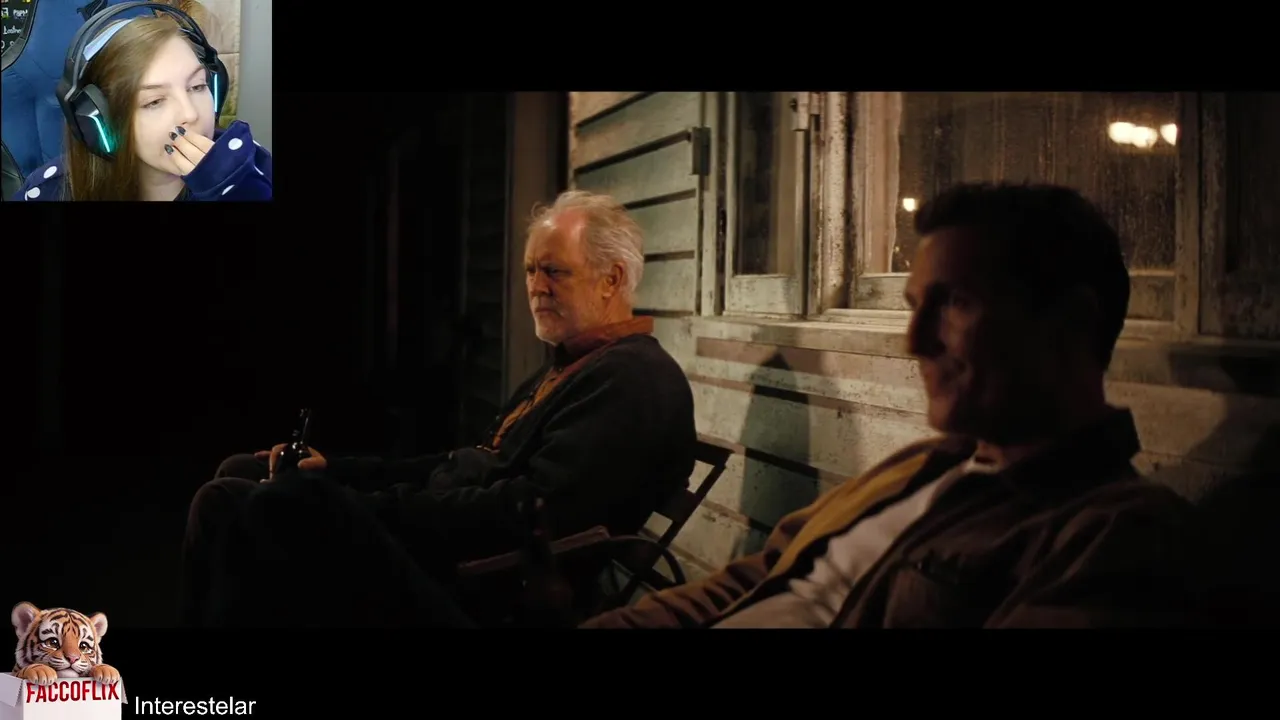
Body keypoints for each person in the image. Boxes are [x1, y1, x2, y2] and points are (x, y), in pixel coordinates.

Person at [582, 182, 1195, 629]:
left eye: (955, 304)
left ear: (1069, 324)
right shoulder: (922, 468)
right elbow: (759, 576)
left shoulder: (1112, 534)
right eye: (914, 305)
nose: (915, 341)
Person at [180, 190, 697, 627]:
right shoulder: (571, 365)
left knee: (253, 502)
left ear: (612, 279)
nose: (536, 287)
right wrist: (339, 470)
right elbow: (463, 462)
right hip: (451, 551)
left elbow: (524, 513)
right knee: (246, 473)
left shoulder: (633, 380)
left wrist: (364, 506)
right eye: (530, 270)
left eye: (554, 271)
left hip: (480, 586)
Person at [13, 12, 270, 202]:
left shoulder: (252, 168)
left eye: (198, 86)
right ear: (100, 121)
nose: (191, 114)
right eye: (154, 101)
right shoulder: (49, 190)